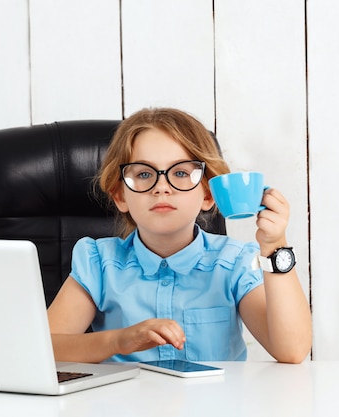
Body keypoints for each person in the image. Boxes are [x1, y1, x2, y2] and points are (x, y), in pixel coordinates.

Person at [47, 107, 312, 364]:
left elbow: (292, 350)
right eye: (144, 174)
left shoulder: (234, 262)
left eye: (181, 172)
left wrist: (275, 246)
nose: (162, 187)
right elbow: (43, 348)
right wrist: (117, 341)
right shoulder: (98, 263)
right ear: (120, 195)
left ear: (208, 193)